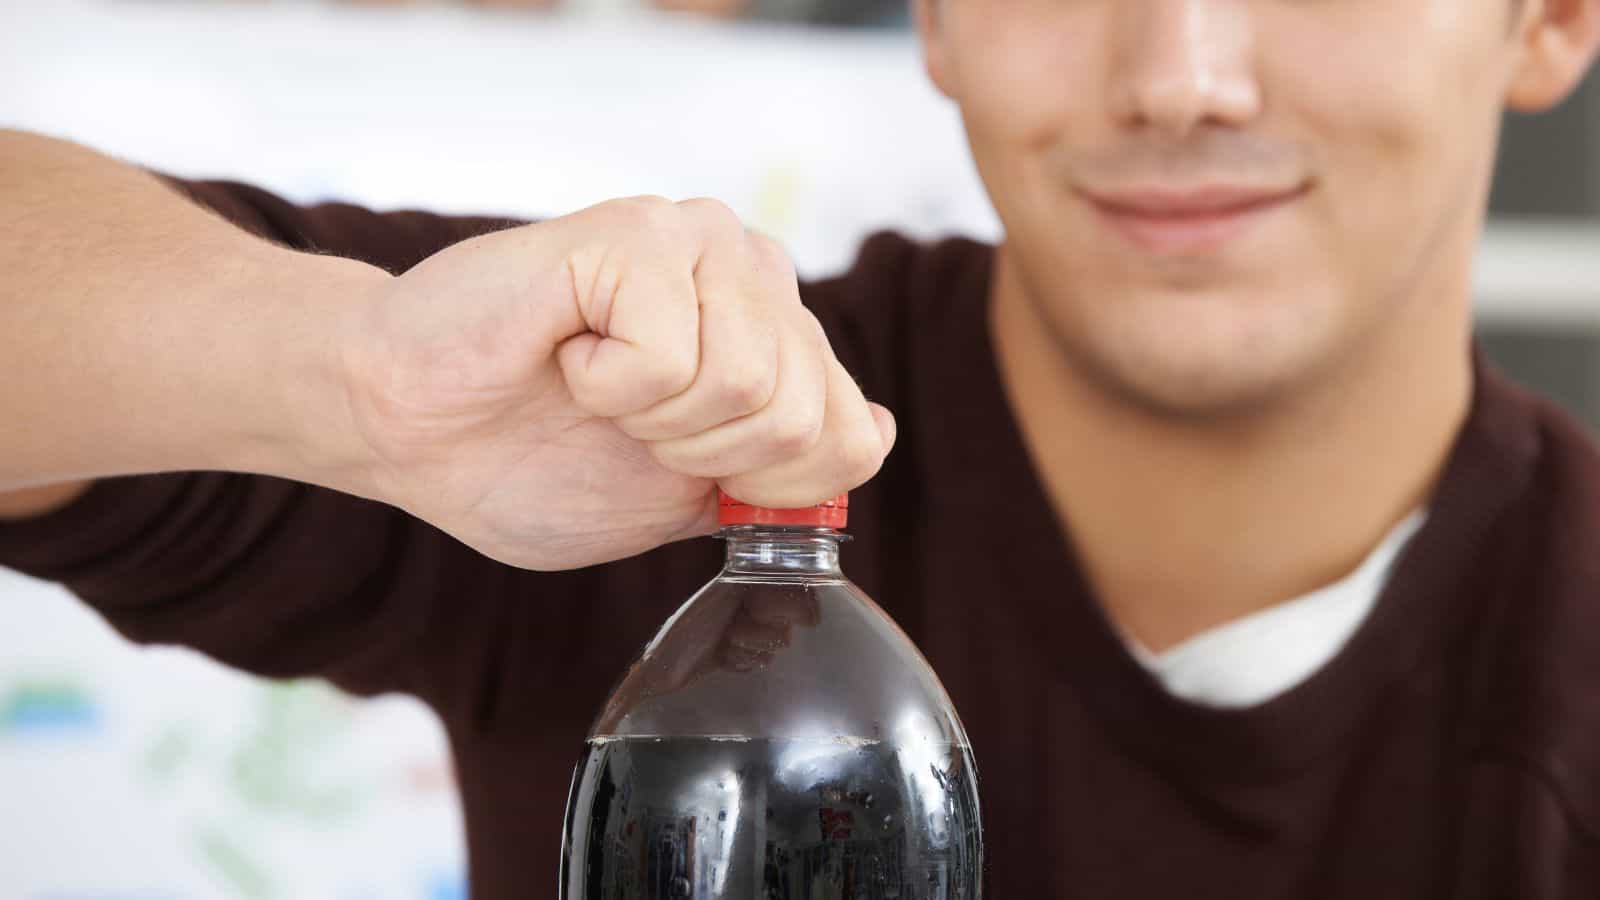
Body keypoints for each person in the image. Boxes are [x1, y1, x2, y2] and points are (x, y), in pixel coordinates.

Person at [3, 0, 1598, 897]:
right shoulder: (626, 421)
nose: (1179, 72)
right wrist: (356, 379)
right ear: (936, 19)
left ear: (1550, 20)